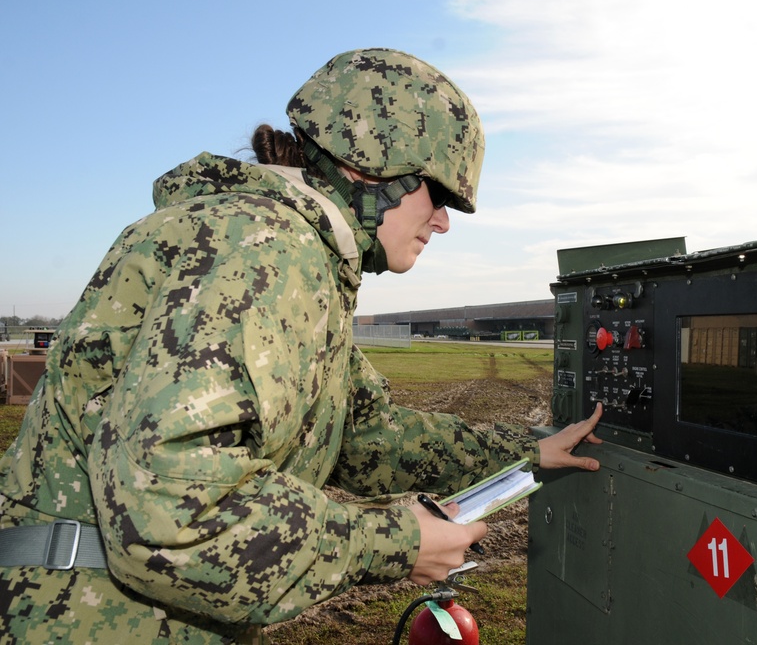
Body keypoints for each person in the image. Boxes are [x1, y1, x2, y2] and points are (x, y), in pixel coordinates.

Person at [0, 48, 602, 643]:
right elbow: (175, 514)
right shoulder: (268, 250)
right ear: (372, 171)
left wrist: (527, 453)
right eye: (439, 197)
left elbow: (366, 436)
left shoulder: (294, 255)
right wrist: (397, 542)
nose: (443, 222)